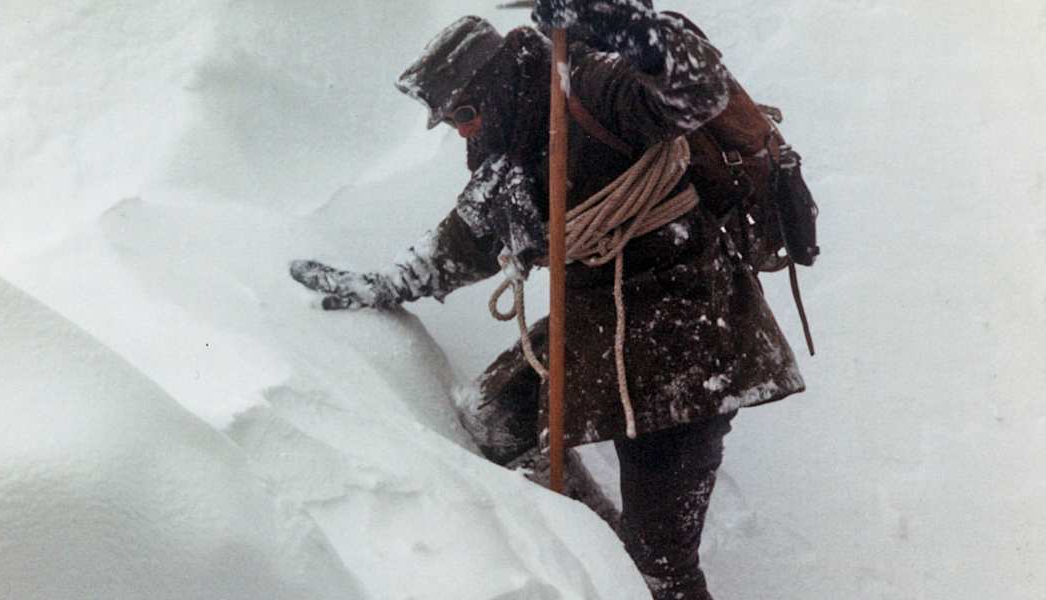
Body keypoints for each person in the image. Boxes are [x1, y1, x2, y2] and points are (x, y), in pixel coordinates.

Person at [289, 2, 805, 598]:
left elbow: (697, 91)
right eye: (450, 121)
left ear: (498, 81)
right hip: (598, 330)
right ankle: (587, 549)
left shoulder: (590, 86)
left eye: (464, 113)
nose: (462, 131)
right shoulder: (513, 147)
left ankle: (627, 569)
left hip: (687, 347)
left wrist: (627, 29)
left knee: (660, 570)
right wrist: (387, 285)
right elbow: (470, 237)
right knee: (493, 415)